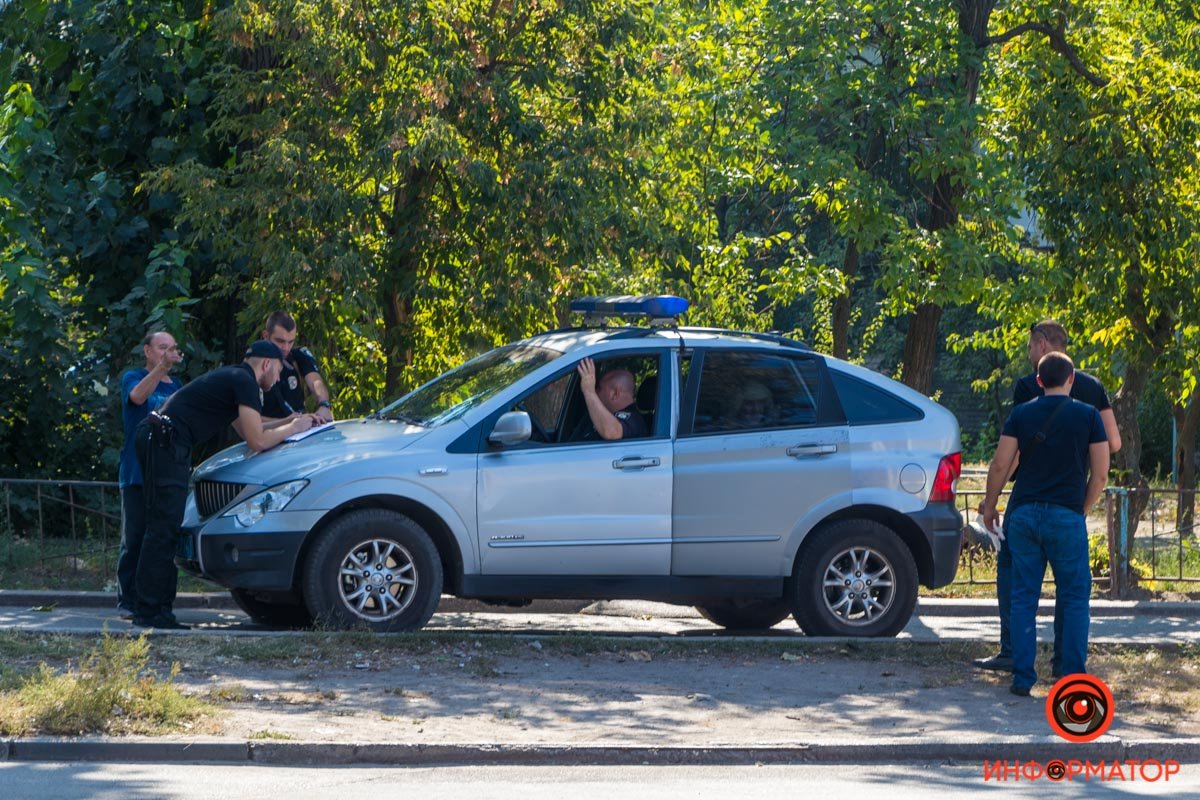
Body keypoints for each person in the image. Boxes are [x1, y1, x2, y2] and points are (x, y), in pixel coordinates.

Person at [131, 340, 315, 629]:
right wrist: (292, 428)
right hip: (166, 442)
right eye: (278, 371)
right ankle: (149, 611)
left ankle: (156, 609)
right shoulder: (245, 382)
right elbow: (256, 441)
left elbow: (248, 430)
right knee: (163, 527)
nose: (278, 379)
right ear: (266, 364)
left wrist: (288, 420)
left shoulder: (235, 377)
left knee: (164, 526)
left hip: (161, 439)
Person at [974, 320, 1122, 675]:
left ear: (1041, 345)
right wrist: (1083, 504)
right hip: (1069, 504)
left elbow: (1009, 458)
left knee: (1018, 583)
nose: (1028, 354)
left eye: (1029, 347)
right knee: (1072, 592)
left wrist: (991, 501)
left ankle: (1014, 657)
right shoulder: (1092, 390)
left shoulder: (1028, 389)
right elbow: (1113, 446)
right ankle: (1066, 668)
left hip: (1026, 502)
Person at [116, 331, 184, 619]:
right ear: (148, 350)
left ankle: (153, 601)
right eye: (162, 348)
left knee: (160, 539)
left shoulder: (177, 385)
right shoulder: (133, 376)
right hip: (136, 472)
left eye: (172, 348)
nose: (168, 353)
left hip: (165, 474)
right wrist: (161, 368)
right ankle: (128, 601)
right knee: (134, 538)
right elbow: (137, 397)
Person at [259, 311, 334, 424]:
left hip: (302, 431)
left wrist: (324, 405)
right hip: (272, 435)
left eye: (291, 342)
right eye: (280, 341)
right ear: (265, 336)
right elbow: (250, 422)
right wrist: (289, 423)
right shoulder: (254, 366)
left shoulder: (298, 356)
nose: (286, 348)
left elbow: (316, 382)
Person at [572, 357, 647, 441]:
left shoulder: (634, 420)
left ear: (615, 394)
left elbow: (612, 433)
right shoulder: (602, 412)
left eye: (599, 388)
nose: (596, 391)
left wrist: (589, 391)